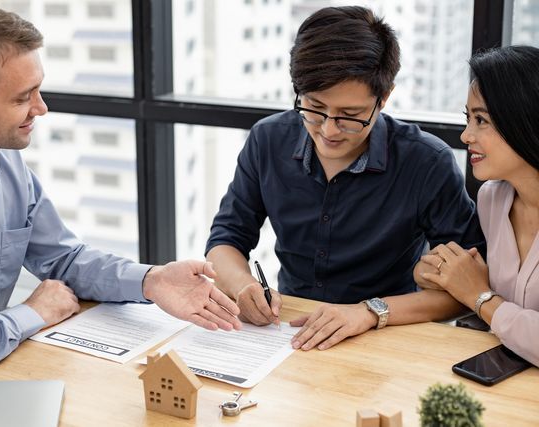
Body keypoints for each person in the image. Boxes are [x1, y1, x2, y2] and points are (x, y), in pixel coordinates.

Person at [0, 4, 241, 381]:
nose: (41, 108)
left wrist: (151, 281)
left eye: (38, 90)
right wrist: (34, 313)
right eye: (21, 98)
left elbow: (62, 259)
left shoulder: (6, 164)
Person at [206, 6, 484, 351]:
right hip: (289, 331)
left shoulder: (427, 162)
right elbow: (226, 238)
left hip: (386, 337)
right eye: (314, 107)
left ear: (384, 98)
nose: (327, 130)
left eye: (349, 116)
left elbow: (468, 288)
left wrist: (369, 312)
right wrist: (243, 285)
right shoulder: (267, 139)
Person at [416, 46, 539, 367]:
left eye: (481, 120)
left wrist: (480, 296)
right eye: (467, 118)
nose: (465, 135)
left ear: (524, 120)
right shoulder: (492, 198)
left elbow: (485, 299)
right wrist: (442, 274)